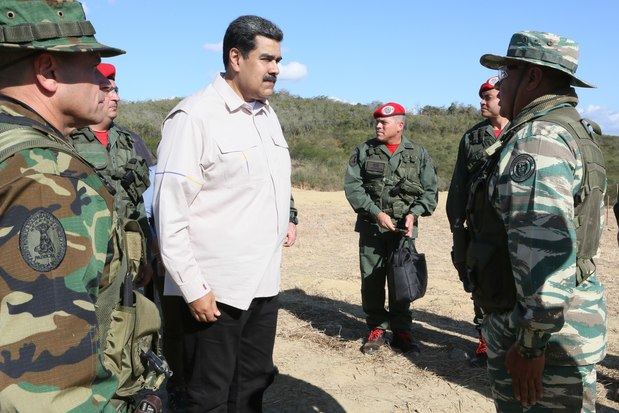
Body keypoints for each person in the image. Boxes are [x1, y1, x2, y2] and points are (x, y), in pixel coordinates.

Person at [153, 15, 297, 412]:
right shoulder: (195, 117)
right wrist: (193, 288)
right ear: (236, 57)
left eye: (279, 60)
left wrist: (288, 218)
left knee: (251, 391)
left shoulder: (267, 116)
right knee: (206, 399)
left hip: (262, 287)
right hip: (212, 294)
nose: (276, 69)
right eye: (267, 58)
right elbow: (169, 211)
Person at [0, 0, 129, 410]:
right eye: (92, 66)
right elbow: (46, 385)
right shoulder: (47, 175)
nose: (102, 81)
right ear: (48, 72)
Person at [468, 31, 607, 410]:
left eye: (506, 73)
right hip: (562, 326)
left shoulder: (538, 140)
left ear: (531, 77)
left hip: (540, 337)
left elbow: (544, 250)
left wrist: (530, 347)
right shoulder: (573, 129)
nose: (501, 83)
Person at [344, 102, 438, 354]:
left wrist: (414, 214)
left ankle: (402, 330)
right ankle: (376, 327)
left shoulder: (418, 154)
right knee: (372, 280)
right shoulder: (364, 151)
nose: (378, 125)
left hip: (402, 233)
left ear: (400, 125)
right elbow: (353, 187)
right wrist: (376, 214)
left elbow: (430, 193)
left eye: (384, 122)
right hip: (372, 229)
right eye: (376, 122)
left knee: (402, 280)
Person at [68, 62, 154, 288]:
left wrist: (146, 254)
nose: (115, 97)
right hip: (85, 258)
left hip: (128, 257)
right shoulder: (68, 139)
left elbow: (138, 204)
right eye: (106, 90)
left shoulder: (130, 140)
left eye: (116, 90)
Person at [446, 76, 509, 367]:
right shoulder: (472, 138)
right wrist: (457, 227)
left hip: (515, 226)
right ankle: (485, 340)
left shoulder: (523, 132)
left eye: (489, 96)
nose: (482, 102)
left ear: (503, 97)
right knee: (481, 281)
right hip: (481, 227)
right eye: (481, 97)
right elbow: (459, 184)